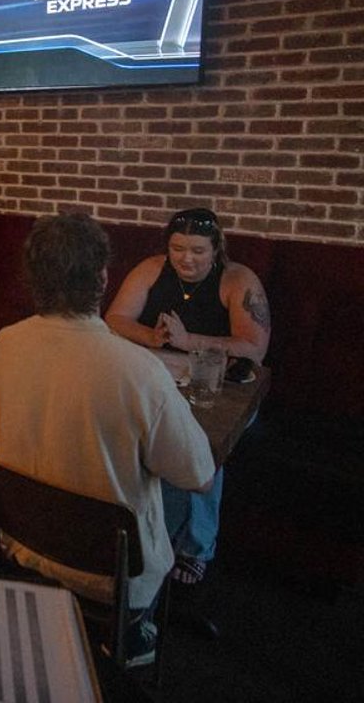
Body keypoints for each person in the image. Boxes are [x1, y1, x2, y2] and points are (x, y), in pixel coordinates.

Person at [0, 213, 214, 667]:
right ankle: (130, 629)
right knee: (168, 488)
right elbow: (198, 473)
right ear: (104, 277)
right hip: (113, 574)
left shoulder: (5, 343)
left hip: (21, 543)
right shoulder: (140, 369)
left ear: (33, 280)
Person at [105, 207, 271, 585]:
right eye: (178, 248)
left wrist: (186, 341)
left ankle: (196, 546)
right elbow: (115, 319)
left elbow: (254, 348)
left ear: (216, 249)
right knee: (124, 420)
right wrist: (152, 337)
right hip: (161, 376)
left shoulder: (237, 279)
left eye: (198, 250)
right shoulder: (151, 268)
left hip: (222, 387)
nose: (186, 258)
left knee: (200, 437)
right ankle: (140, 529)